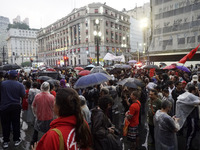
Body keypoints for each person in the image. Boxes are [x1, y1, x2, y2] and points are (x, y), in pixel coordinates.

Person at [0, 70, 25, 148]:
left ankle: (6, 141)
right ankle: (16, 140)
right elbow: (23, 95)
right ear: (16, 76)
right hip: (15, 107)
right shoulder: (20, 85)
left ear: (9, 76)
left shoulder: (2, 84)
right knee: (16, 124)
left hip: (4, 107)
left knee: (5, 125)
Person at [31, 82, 55, 146]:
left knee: (36, 131)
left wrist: (35, 114)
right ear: (48, 88)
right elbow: (54, 108)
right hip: (49, 118)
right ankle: (47, 144)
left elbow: (33, 106)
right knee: (48, 132)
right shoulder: (52, 97)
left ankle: (34, 144)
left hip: (39, 117)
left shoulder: (37, 96)